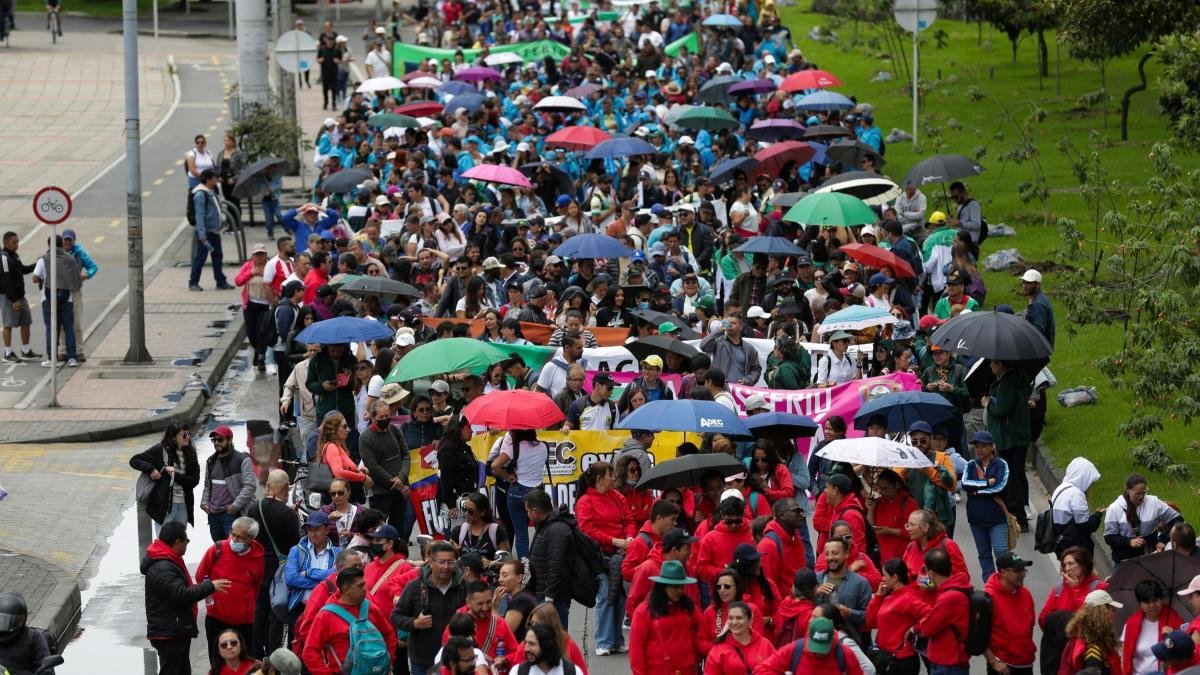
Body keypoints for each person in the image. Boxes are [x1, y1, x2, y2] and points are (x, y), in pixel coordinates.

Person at [142, 521, 231, 675]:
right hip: (170, 632)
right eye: (186, 541)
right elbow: (182, 594)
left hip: (175, 630)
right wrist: (210, 586)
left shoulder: (167, 559)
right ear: (177, 542)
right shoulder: (162, 566)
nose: (187, 545)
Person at [575, 462, 635, 655]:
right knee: (606, 595)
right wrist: (615, 540)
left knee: (620, 596)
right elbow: (587, 530)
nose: (614, 477)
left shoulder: (617, 496)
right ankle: (603, 641)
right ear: (600, 478)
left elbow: (629, 520)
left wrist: (629, 538)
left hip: (620, 553)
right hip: (598, 556)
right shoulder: (585, 501)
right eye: (610, 474)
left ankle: (616, 640)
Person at [196, 516, 266, 671]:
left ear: (250, 539)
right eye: (232, 534)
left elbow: (257, 586)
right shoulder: (217, 549)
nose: (233, 539)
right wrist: (212, 589)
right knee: (217, 665)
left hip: (244, 623)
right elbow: (201, 576)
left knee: (244, 665)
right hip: (216, 619)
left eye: (239, 537)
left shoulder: (258, 557)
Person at [301, 566, 397, 675]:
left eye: (364, 583)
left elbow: (389, 634)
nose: (365, 588)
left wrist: (388, 660)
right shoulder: (326, 615)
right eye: (360, 585)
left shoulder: (370, 608)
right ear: (345, 589)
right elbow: (309, 652)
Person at [248, 470, 302, 658]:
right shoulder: (287, 513)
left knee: (259, 609)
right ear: (286, 488)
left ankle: (255, 652)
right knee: (276, 613)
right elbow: (295, 545)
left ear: (268, 486)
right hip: (279, 568)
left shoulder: (254, 508)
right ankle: (273, 656)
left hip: (257, 565)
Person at [392, 541, 467, 675]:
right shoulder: (414, 587)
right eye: (441, 562)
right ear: (430, 562)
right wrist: (414, 623)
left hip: (456, 660)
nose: (446, 567)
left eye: (451, 562)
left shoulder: (463, 587)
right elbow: (396, 617)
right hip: (423, 661)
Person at [629, 560, 706, 675]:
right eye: (674, 587)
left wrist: (697, 654)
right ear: (663, 586)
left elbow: (703, 629)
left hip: (688, 670)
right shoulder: (644, 611)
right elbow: (636, 648)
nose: (679, 591)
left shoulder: (688, 606)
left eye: (681, 586)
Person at [983, 360, 1031, 530]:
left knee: (1010, 479)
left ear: (1001, 365)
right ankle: (1020, 514)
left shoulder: (1007, 384)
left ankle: (1018, 517)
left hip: (1009, 438)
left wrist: (988, 403)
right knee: (1016, 476)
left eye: (993, 363)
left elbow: (1000, 409)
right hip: (1017, 436)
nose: (991, 367)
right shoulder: (1017, 380)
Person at [129, 422, 201, 533]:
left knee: (178, 544)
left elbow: (194, 481)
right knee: (163, 545)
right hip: (164, 507)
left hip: (183, 507)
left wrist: (174, 475)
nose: (188, 437)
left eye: (188, 434)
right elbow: (134, 460)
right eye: (183, 435)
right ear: (173, 438)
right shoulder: (160, 451)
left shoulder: (190, 454)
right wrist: (151, 469)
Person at [490, 429, 550, 559]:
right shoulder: (544, 446)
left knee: (521, 533)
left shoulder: (514, 447)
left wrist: (507, 476)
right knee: (541, 530)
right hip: (537, 492)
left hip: (517, 491)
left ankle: (525, 566)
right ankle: (540, 561)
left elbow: (494, 465)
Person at [961, 431, 1011, 580]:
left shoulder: (1001, 464)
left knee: (1001, 551)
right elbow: (965, 484)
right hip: (976, 518)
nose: (980, 449)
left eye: (983, 446)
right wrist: (986, 483)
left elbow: (1001, 486)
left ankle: (1006, 580)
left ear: (992, 447)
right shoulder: (970, 465)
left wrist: (977, 493)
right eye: (977, 446)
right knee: (984, 554)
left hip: (997, 517)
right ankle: (990, 585)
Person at [358, 400, 412, 539]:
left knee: (399, 529)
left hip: (400, 488)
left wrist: (401, 477)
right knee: (378, 530)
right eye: (381, 417)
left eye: (387, 416)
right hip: (381, 492)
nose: (384, 420)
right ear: (372, 417)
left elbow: (405, 455)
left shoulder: (395, 430)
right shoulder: (365, 438)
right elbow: (373, 467)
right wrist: (398, 485)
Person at [1104, 473, 1182, 567]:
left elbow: (1177, 520)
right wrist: (1129, 541)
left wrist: (1163, 540)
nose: (1141, 497)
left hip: (1151, 558)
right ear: (1127, 490)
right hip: (1125, 562)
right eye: (1137, 493)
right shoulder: (1114, 509)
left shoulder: (1154, 503)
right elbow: (1109, 537)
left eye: (1144, 492)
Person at [914, 547, 971, 675]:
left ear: (932, 574)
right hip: (952, 659)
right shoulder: (958, 587)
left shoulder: (949, 598)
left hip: (948, 662)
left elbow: (928, 628)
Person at [524, 488, 575, 629]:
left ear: (535, 511)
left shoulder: (556, 530)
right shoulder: (544, 525)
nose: (527, 515)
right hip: (543, 594)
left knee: (558, 640)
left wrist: (549, 599)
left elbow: (556, 566)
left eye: (527, 511)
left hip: (552, 598)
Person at [865, 559, 927, 675]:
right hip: (886, 657)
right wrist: (878, 597)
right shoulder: (890, 596)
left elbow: (930, 615)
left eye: (884, 575)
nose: (882, 578)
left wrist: (915, 629)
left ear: (894, 577)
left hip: (901, 660)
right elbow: (870, 621)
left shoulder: (909, 598)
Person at [284, 512, 340, 633]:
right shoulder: (296, 550)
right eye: (309, 530)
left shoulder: (338, 553)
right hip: (300, 608)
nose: (312, 534)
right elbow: (291, 578)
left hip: (327, 608)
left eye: (317, 530)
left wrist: (308, 573)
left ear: (327, 530)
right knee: (295, 647)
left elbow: (337, 578)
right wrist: (324, 584)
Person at [752, 615, 866, 675]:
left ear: (832, 639)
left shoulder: (845, 654)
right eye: (816, 646)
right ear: (809, 637)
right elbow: (762, 669)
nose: (819, 652)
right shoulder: (795, 650)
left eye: (823, 647)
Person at [200, 425, 257, 541]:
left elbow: (250, 486)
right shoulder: (211, 461)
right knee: (219, 548)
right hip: (213, 515)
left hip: (231, 514)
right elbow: (207, 485)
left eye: (220, 440)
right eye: (214, 440)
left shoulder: (243, 460)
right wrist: (204, 503)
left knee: (234, 548)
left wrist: (235, 506)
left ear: (230, 440)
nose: (216, 443)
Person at [983, 552, 1036, 675]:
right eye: (1018, 571)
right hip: (1003, 668)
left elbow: (1030, 626)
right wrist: (994, 662)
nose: (1023, 574)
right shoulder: (988, 598)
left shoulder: (1026, 594)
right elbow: (979, 636)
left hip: (1026, 663)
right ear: (1004, 573)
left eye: (1024, 570)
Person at [30, 235, 80, 367]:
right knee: (69, 328)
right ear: (62, 244)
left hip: (48, 298)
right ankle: (72, 358)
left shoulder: (44, 259)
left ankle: (52, 358)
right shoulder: (70, 259)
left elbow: (35, 278)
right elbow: (77, 280)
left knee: (51, 328)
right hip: (67, 298)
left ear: (49, 244)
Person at [1120, 580, 1182, 675]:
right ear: (1140, 604)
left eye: (1155, 600)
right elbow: (1125, 657)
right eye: (1147, 602)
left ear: (1161, 599)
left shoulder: (1173, 618)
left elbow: (1186, 649)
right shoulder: (1131, 623)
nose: (1152, 605)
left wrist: (1174, 635)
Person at [1038, 546, 1106, 629]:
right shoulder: (1059, 589)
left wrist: (1075, 589)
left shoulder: (1099, 588)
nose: (1067, 569)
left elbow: (1093, 618)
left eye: (1071, 563)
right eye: (1064, 565)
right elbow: (1042, 619)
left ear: (1083, 565)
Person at [1049, 457, 1104, 557]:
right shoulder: (1076, 494)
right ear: (1083, 476)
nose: (1090, 485)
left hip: (1062, 544)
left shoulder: (1061, 488)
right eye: (1090, 481)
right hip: (1076, 548)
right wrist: (1097, 515)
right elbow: (1085, 525)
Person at [815, 538, 872, 634]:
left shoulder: (861, 583)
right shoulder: (817, 579)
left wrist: (850, 613)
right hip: (819, 638)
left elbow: (870, 617)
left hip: (849, 640)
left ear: (846, 554)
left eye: (835, 553)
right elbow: (802, 605)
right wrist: (815, 594)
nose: (830, 557)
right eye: (827, 554)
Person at [1059, 591, 1123, 675]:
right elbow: (1091, 672)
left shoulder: (1091, 641)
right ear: (1103, 612)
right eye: (1112, 609)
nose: (1114, 614)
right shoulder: (1093, 647)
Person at [190, 169, 233, 292]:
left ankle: (220, 281)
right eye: (214, 178)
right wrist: (202, 235)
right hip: (206, 233)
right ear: (208, 179)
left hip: (214, 231)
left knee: (218, 256)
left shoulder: (210, 191)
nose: (216, 180)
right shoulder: (200, 194)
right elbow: (200, 216)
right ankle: (193, 282)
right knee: (200, 258)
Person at [0, 231, 40, 362]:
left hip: (20, 296)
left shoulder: (14, 255)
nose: (17, 244)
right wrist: (14, 300)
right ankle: (8, 352)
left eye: (17, 241)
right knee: (8, 324)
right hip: (9, 297)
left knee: (26, 321)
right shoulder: (4, 257)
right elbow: (6, 280)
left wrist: (38, 263)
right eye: (14, 242)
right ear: (6, 243)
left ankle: (26, 350)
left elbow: (23, 269)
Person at [704, 602, 775, 675]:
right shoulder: (718, 650)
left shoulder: (765, 645)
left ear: (750, 620)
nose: (734, 622)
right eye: (730, 618)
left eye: (739, 618)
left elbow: (776, 670)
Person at [235, 243, 275, 371]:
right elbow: (238, 281)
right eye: (256, 254)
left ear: (266, 255)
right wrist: (251, 273)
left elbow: (277, 282)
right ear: (252, 256)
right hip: (250, 304)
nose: (259, 257)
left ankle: (261, 358)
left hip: (265, 305)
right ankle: (257, 351)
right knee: (251, 333)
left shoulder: (271, 266)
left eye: (261, 254)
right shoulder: (248, 266)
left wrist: (265, 275)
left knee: (261, 332)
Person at [866, 469, 919, 563]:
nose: (882, 492)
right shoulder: (878, 502)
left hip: (902, 558)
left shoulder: (909, 504)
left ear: (897, 485)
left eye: (886, 488)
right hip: (881, 557)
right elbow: (869, 528)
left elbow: (917, 531)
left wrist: (890, 531)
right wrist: (870, 510)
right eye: (880, 489)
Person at [757, 498, 808, 597]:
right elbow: (768, 587)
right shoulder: (768, 545)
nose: (801, 514)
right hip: (785, 609)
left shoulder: (796, 537)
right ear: (782, 515)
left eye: (801, 510)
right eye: (797, 511)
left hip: (801, 605)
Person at [900, 509, 968, 583]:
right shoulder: (911, 547)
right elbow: (904, 574)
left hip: (942, 593)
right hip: (912, 594)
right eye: (908, 525)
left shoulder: (948, 545)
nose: (908, 529)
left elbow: (962, 578)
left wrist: (929, 584)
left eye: (912, 525)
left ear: (926, 527)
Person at [700, 312, 762, 385]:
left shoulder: (749, 348)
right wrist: (719, 330)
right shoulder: (718, 342)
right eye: (727, 323)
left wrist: (749, 379)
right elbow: (703, 346)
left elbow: (756, 369)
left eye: (733, 323)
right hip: (719, 388)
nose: (729, 326)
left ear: (741, 326)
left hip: (739, 390)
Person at [0, 591, 54, 675]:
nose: (3, 626)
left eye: (9, 621)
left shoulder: (34, 638)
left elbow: (46, 671)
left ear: (21, 620)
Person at [494, 559, 538, 640]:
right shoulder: (523, 597)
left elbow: (502, 633)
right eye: (499, 575)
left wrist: (494, 607)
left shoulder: (520, 600)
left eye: (505, 575)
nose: (500, 579)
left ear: (519, 578)